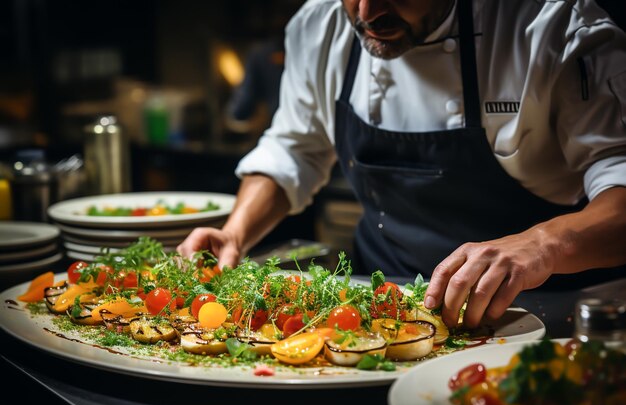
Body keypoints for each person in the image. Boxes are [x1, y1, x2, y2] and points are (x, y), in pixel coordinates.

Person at [179, 0, 626, 329]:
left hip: (540, 313)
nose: (368, 12)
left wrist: (543, 245)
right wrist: (235, 231)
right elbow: (296, 147)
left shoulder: (553, 26)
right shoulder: (322, 25)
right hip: (378, 313)